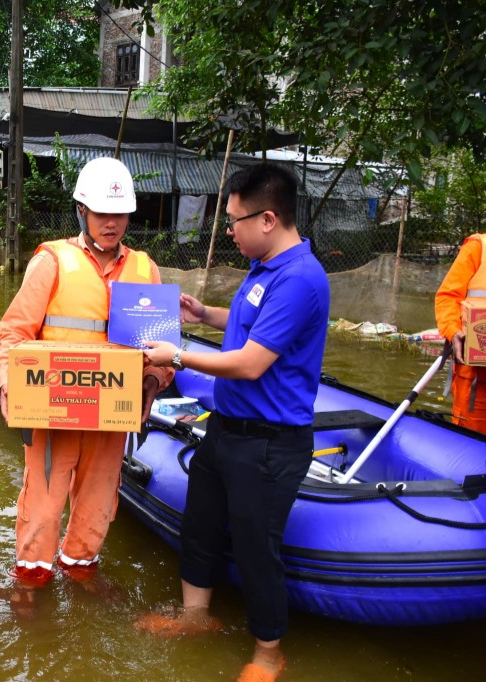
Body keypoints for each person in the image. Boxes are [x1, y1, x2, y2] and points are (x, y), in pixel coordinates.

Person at [139, 164, 330, 682]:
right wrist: (206, 315)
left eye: (234, 220)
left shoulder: (300, 279)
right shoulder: (265, 267)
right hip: (227, 427)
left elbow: (249, 362)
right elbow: (251, 320)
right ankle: (195, 617)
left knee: (256, 547)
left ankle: (269, 650)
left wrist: (177, 355)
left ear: (268, 218)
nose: (229, 229)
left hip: (270, 441)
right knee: (200, 526)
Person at [0, 157, 174, 594]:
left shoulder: (145, 269)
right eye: (102, 213)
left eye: (120, 214)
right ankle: (31, 585)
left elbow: (164, 354)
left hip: (111, 417)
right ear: (81, 212)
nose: (112, 223)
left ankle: (79, 571)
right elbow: (11, 337)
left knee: (97, 505)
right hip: (54, 414)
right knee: (43, 506)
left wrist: (153, 381)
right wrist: (9, 384)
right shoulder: (52, 262)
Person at [434, 233, 486, 436]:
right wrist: (453, 331)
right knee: (472, 448)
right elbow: (448, 297)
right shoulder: (479, 248)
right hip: (479, 382)